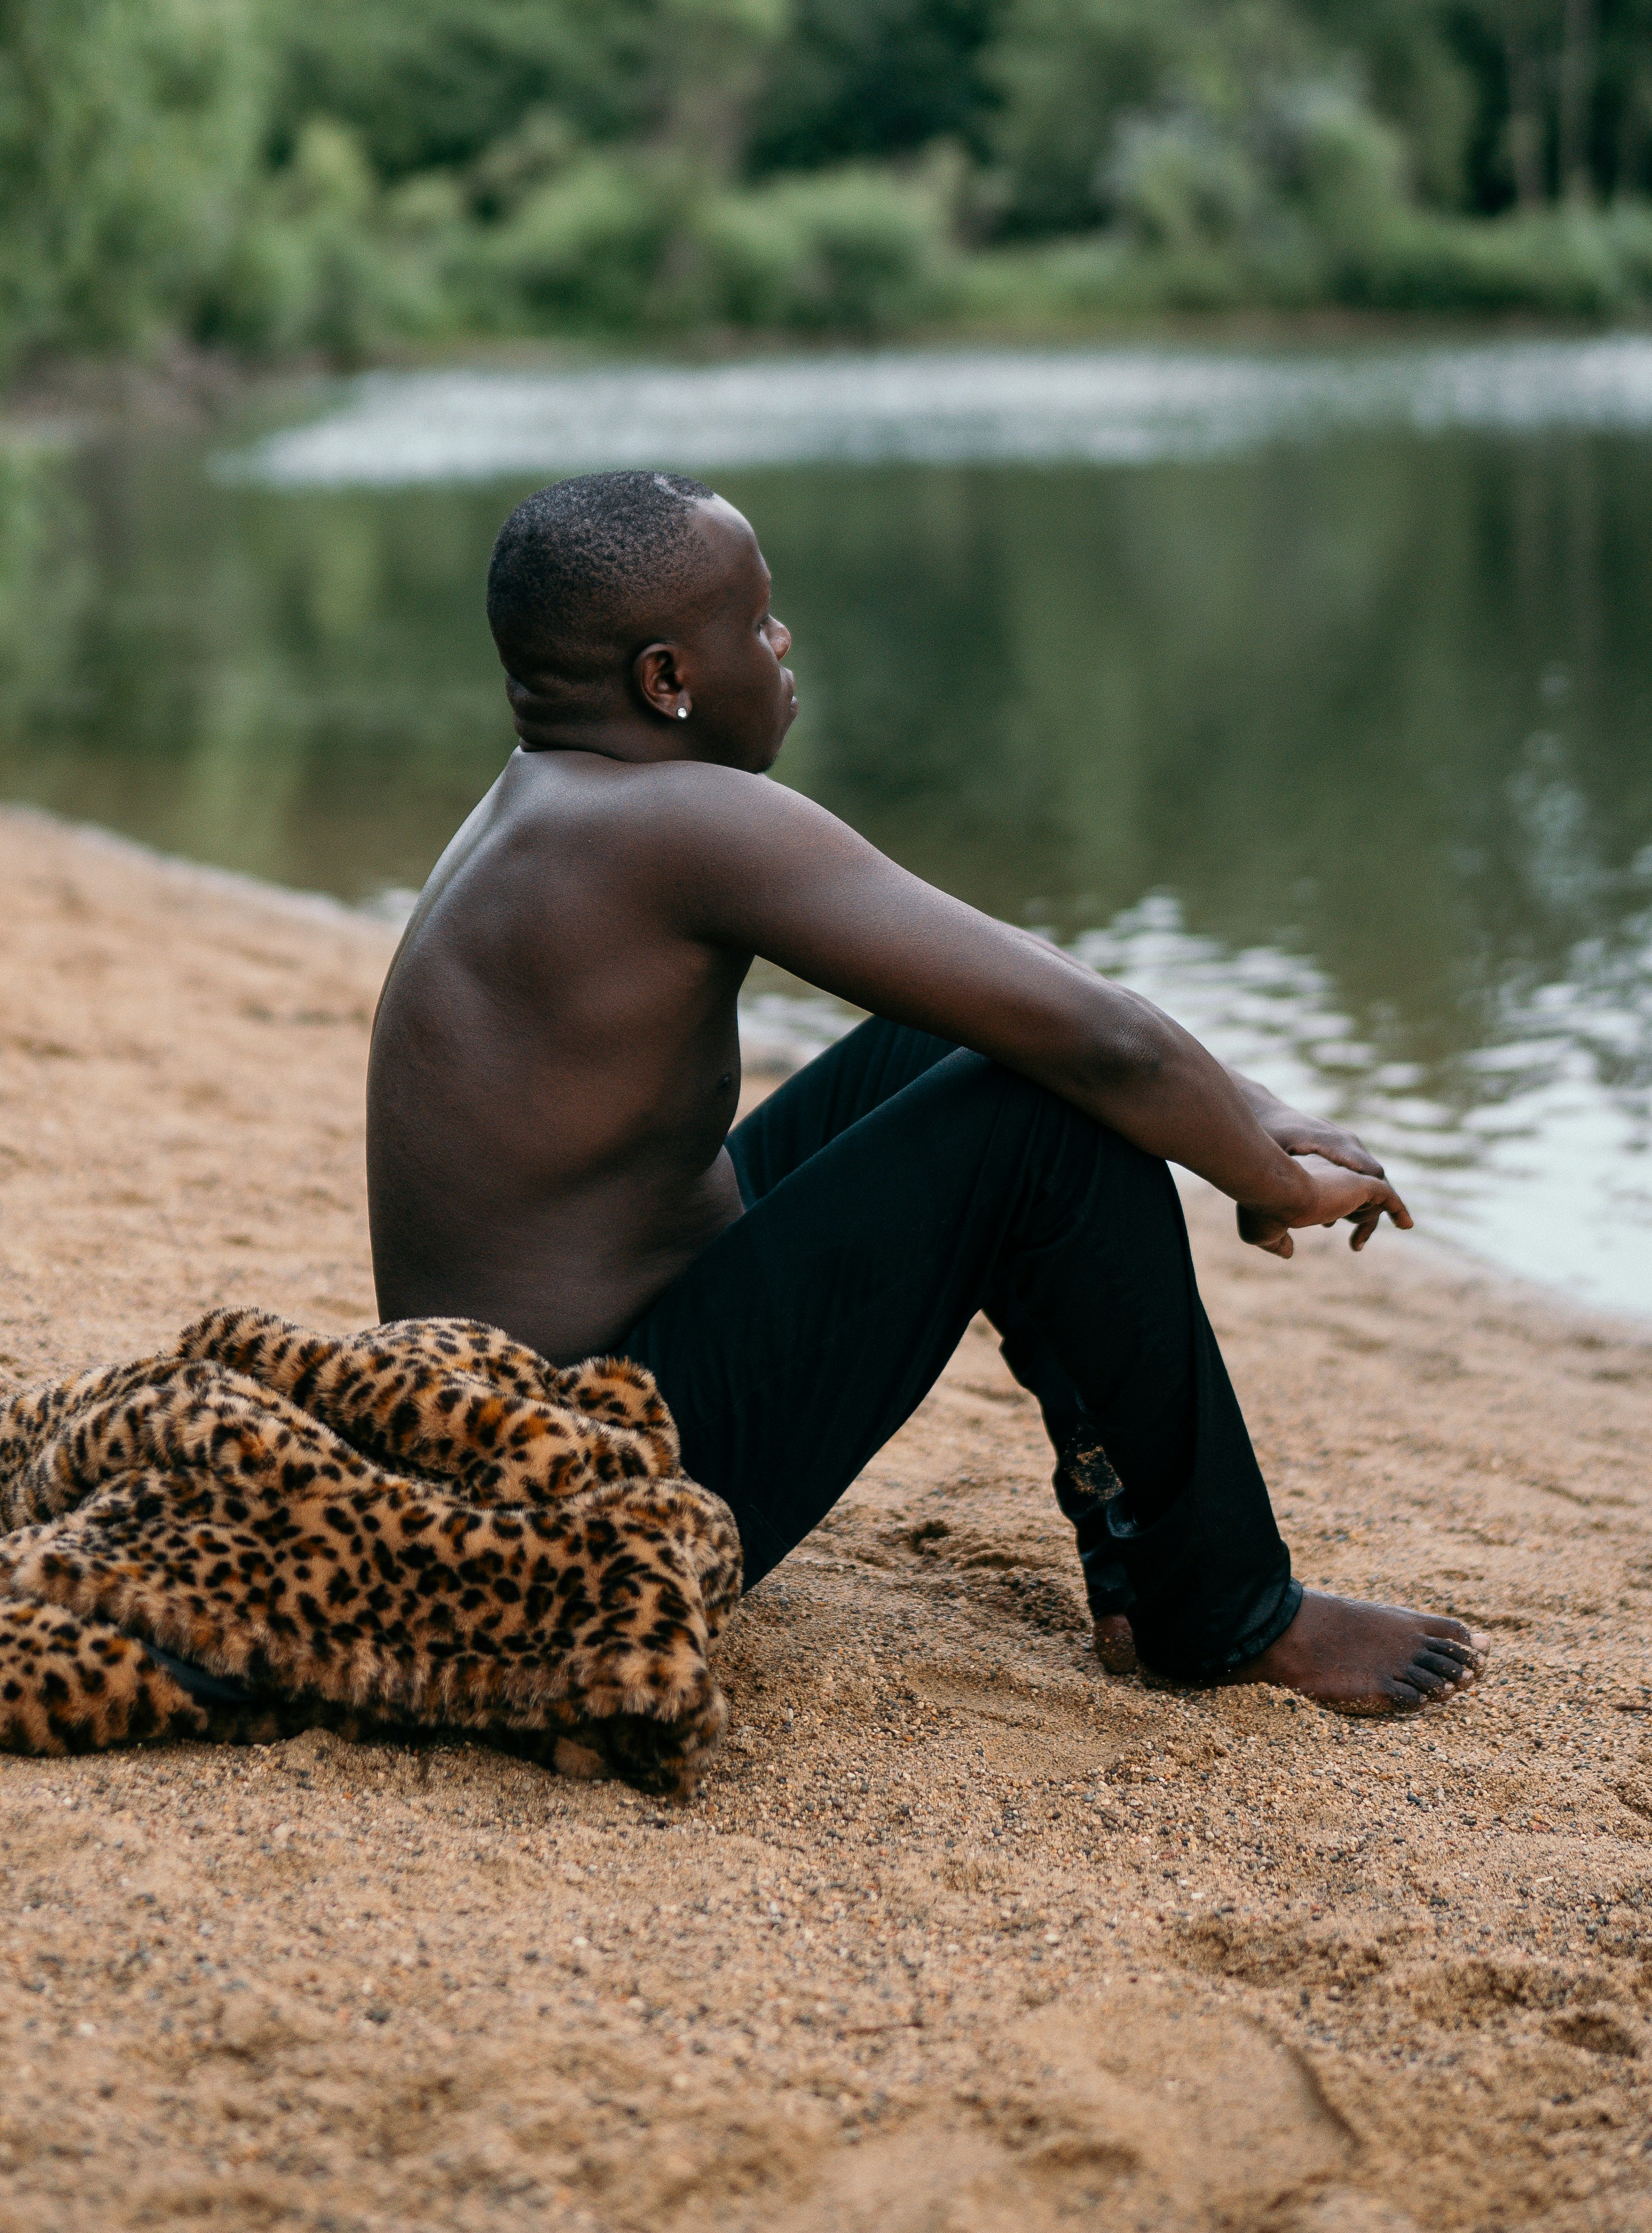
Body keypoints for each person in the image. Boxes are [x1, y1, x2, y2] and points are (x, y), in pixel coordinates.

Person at [364, 468, 1482, 1715]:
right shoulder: (679, 824)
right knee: (1035, 1113)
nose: (785, 646)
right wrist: (1266, 1177)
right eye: (759, 622)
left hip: (506, 1435)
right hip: (575, 1505)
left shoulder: (562, 803)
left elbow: (1012, 977)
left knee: (947, 1049)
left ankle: (1140, 1556)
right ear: (667, 680)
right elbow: (1100, 1048)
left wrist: (1247, 1099)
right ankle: (1220, 1610)